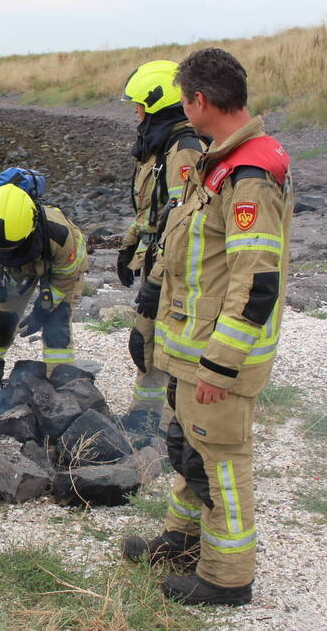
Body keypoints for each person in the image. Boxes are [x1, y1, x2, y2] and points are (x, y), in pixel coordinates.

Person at [122, 48, 293, 606]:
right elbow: (191, 253)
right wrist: (151, 301)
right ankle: (180, 541)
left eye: (184, 101)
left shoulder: (249, 175)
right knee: (190, 450)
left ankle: (226, 577)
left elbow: (255, 282)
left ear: (199, 101)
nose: (181, 113)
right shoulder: (217, 162)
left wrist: (221, 363)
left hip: (216, 357)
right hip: (189, 346)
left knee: (221, 462)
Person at [117, 61, 205, 427]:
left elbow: (182, 224)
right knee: (147, 343)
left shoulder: (183, 151)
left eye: (139, 105)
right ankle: (144, 417)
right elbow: (153, 212)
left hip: (174, 267)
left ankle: (175, 428)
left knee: (164, 344)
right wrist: (129, 245)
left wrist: (154, 281)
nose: (136, 113)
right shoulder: (160, 147)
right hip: (156, 257)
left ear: (158, 106)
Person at [0, 181, 88, 373]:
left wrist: (42, 310)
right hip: (16, 270)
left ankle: (61, 380)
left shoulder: (60, 235)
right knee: (1, 324)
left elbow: (64, 279)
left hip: (61, 267)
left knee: (57, 324)